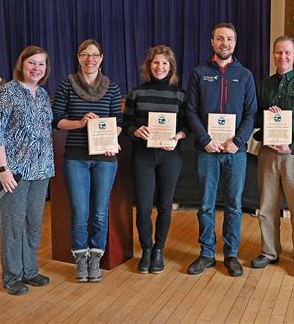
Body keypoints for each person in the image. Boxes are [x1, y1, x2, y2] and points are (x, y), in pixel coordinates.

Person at [186, 22, 257, 277]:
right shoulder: (199, 73)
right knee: (206, 204)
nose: (224, 43)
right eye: (219, 38)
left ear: (234, 44)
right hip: (207, 150)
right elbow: (191, 111)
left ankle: (231, 254)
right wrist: (205, 139)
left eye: (229, 39)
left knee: (234, 204)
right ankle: (206, 253)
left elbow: (251, 113)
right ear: (212, 42)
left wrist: (237, 141)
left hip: (234, 152)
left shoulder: (245, 75)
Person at [250, 36, 294, 278]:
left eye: (287, 52)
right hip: (269, 153)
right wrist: (266, 120)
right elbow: (254, 120)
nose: (283, 56)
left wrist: (292, 146)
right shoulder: (264, 86)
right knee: (267, 206)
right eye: (278, 52)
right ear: (273, 54)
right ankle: (269, 251)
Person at [52, 39, 122, 283]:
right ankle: (80, 260)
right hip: (76, 158)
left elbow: (118, 123)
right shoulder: (67, 85)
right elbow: (57, 120)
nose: (90, 59)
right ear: (78, 57)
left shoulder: (112, 87)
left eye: (94, 55)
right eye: (85, 54)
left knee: (100, 212)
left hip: (105, 159)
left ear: (101, 58)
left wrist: (112, 141)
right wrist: (80, 123)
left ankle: (96, 259)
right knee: (80, 212)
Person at [0, 46, 54, 296]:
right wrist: (3, 169)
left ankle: (29, 270)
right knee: (13, 225)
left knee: (32, 223)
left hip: (40, 170)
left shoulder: (44, 94)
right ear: (22, 64)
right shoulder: (7, 92)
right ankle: (12, 276)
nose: (37, 68)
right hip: (12, 171)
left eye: (42, 64)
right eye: (32, 63)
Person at [123, 45, 189, 274]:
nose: (160, 67)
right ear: (148, 66)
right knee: (142, 206)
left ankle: (159, 250)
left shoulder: (180, 95)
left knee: (164, 206)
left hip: (170, 156)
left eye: (164, 63)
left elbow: (187, 126)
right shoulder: (136, 92)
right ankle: (147, 249)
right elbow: (126, 124)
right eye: (156, 63)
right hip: (142, 155)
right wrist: (135, 131)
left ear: (171, 67)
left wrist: (178, 136)